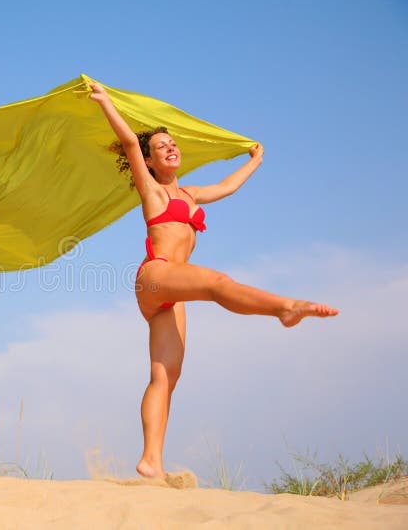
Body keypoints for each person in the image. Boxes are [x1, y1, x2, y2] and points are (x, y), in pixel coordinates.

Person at [88, 82, 339, 481]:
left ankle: (151, 460)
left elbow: (228, 186)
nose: (170, 148)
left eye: (173, 144)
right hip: (157, 274)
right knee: (218, 283)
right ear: (151, 162)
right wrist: (107, 105)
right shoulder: (151, 189)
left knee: (167, 375)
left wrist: (254, 159)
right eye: (161, 147)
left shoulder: (190, 194)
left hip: (171, 293)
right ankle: (285, 308)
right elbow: (131, 145)